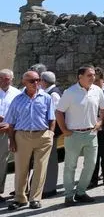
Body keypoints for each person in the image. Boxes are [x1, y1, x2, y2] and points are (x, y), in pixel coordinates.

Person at [55, 65, 104, 206]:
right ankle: (68, 195)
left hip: (91, 133)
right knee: (70, 166)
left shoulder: (97, 90)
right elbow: (59, 111)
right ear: (80, 77)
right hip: (73, 134)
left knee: (91, 165)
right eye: (89, 75)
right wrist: (64, 130)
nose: (93, 77)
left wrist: (100, 121)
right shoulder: (70, 92)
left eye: (94, 75)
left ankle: (80, 192)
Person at [6, 71, 55, 210]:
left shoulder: (46, 98)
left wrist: (50, 134)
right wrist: (12, 140)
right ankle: (20, 198)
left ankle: (35, 199)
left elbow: (52, 118)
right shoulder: (17, 100)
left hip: (43, 136)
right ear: (24, 82)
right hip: (22, 136)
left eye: (38, 80)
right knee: (21, 169)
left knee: (40, 168)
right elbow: (11, 123)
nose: (36, 83)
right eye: (32, 81)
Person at [0, 69, 21, 201]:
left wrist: (9, 124)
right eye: (0, 78)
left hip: (8, 131)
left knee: (2, 162)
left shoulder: (17, 94)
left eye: (6, 79)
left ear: (12, 80)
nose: (3, 81)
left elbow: (20, 113)